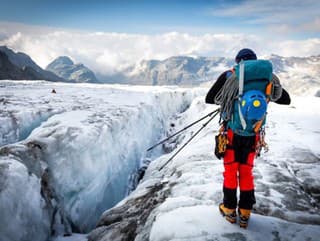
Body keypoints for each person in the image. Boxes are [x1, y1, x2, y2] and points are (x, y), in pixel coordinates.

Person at [205, 48, 291, 228]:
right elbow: (285, 100)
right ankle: (245, 213)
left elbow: (210, 98)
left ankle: (229, 210)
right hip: (253, 135)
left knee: (230, 171)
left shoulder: (230, 75)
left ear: (238, 62)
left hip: (232, 134)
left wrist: (231, 100)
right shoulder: (268, 79)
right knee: (246, 172)